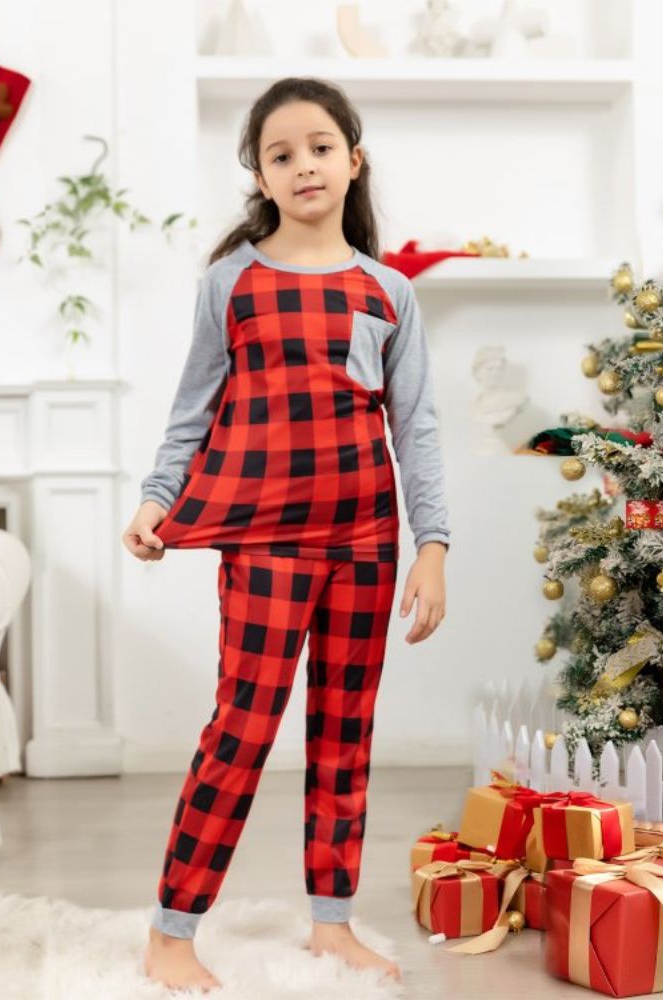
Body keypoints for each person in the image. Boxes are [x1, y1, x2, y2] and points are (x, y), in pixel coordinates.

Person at [122, 75, 450, 992]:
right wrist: (157, 497)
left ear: (354, 160)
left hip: (366, 545)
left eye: (319, 146)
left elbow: (414, 426)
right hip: (263, 547)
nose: (303, 164)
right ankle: (171, 932)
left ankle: (332, 925)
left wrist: (433, 546)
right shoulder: (232, 284)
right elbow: (191, 412)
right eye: (281, 154)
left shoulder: (388, 293)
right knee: (242, 730)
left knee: (345, 735)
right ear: (260, 177)